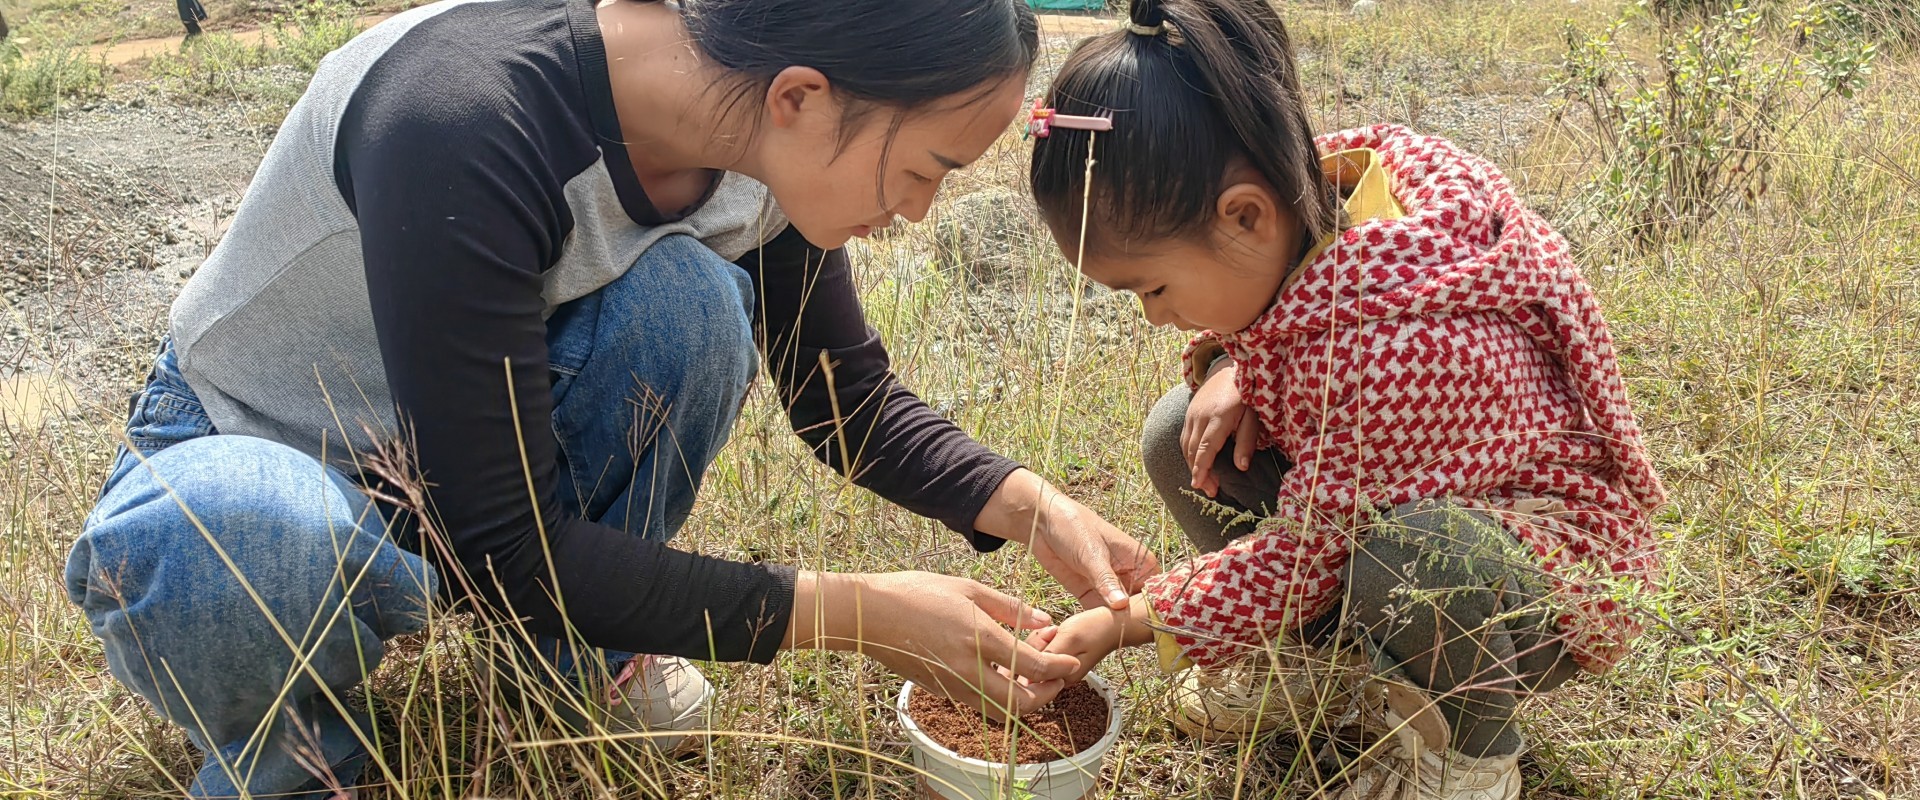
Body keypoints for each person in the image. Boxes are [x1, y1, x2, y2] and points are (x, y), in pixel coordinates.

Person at [61, 0, 1158, 797]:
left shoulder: (759, 153)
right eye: (923, 169)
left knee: (690, 303)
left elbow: (844, 400)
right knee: (247, 534)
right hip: (262, 447)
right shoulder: (465, 117)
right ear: (804, 99)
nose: (917, 213)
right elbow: (505, 539)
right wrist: (858, 612)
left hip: (478, 464)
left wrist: (1028, 504)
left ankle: (565, 658)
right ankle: (303, 754)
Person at [1020, 0, 1665, 798]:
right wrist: (1231, 362)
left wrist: (1127, 622)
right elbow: (1292, 320)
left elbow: (1302, 560)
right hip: (1396, 500)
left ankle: (1467, 757)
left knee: (1416, 557)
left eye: (1152, 286)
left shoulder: (1384, 352)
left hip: (1537, 573)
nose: (1154, 315)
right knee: (1178, 434)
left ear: (1246, 214)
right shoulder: (1334, 183)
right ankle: (1322, 668)